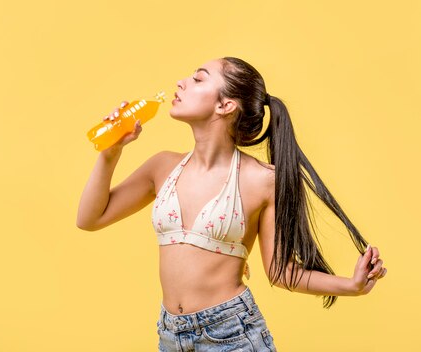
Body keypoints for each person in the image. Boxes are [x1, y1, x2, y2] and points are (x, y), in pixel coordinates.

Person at [76, 57, 386, 351]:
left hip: (232, 335)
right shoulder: (162, 167)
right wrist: (110, 153)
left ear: (226, 105)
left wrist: (352, 286)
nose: (182, 82)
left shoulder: (262, 180)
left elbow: (281, 273)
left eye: (198, 78)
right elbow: (90, 218)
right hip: (170, 335)